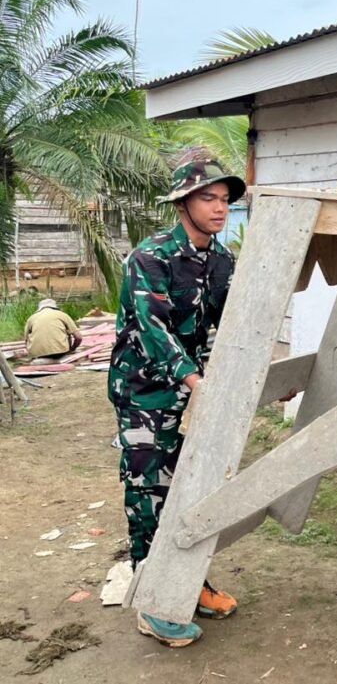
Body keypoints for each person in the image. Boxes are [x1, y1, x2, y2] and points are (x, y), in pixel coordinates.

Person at [109, 159, 245, 648]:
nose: (220, 208)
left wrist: (255, 373)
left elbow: (230, 328)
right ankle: (154, 600)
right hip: (144, 389)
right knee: (149, 487)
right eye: (209, 198)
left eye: (225, 200)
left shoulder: (222, 262)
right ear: (183, 202)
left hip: (193, 385)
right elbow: (153, 328)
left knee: (191, 486)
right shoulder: (151, 257)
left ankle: (189, 583)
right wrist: (195, 381)